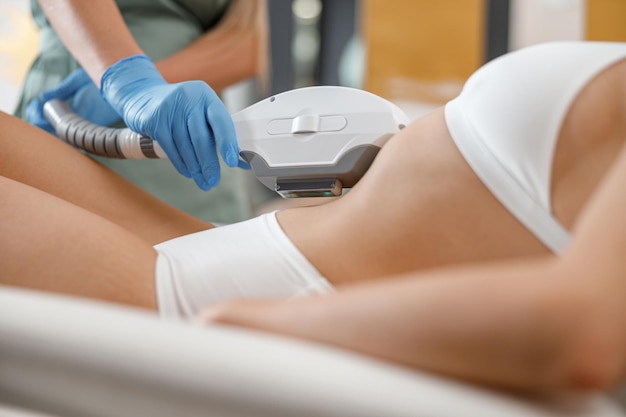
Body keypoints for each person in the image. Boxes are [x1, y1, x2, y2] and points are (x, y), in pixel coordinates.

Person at [2, 40, 626, 394]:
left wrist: (255, 322)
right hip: (225, 250)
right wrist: (121, 77)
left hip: (217, 300)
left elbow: (582, 332)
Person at [14, 0, 269, 224]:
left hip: (183, 138)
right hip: (72, 111)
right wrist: (122, 76)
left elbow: (254, 38)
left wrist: (148, 88)